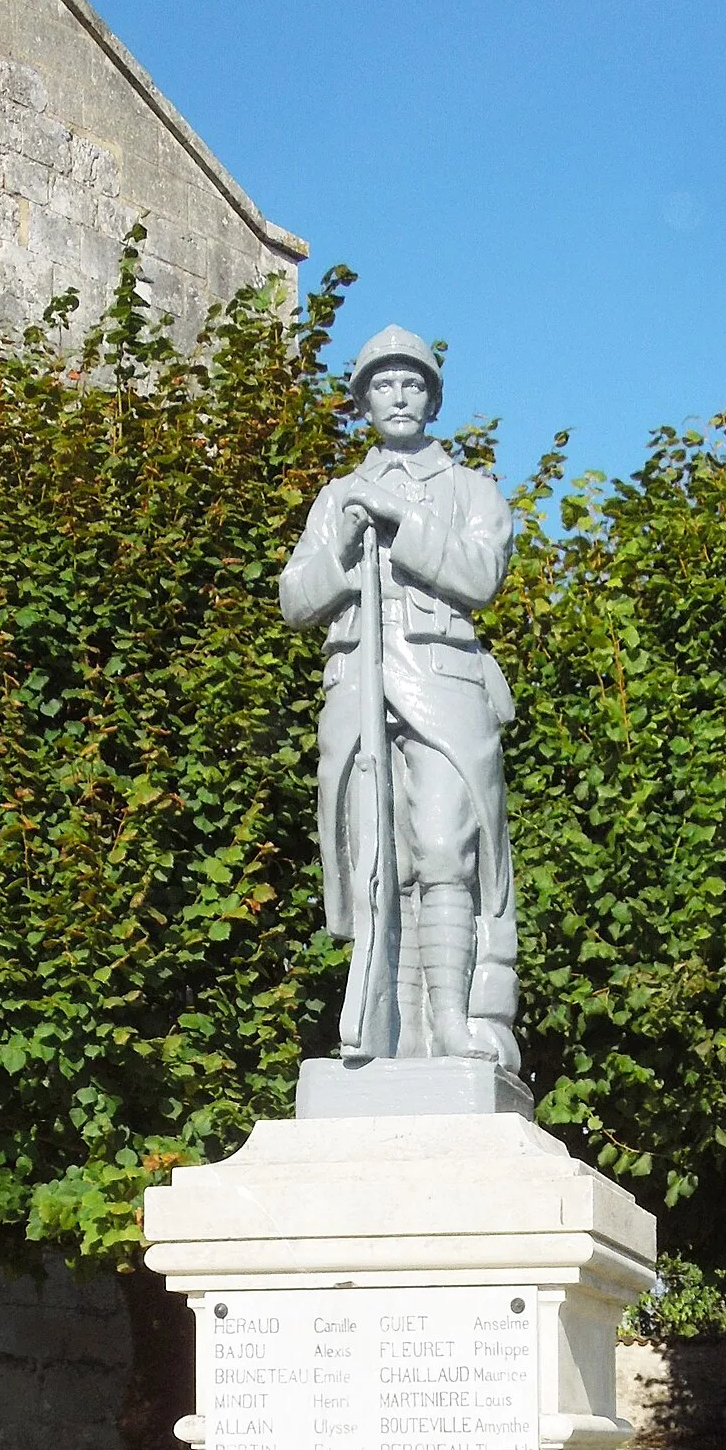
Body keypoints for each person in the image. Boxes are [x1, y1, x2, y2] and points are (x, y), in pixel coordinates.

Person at [279, 326, 520, 1070]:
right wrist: (348, 547)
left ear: (432, 397)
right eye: (383, 383)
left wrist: (400, 520)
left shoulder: (469, 489)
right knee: (375, 861)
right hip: (359, 688)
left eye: (413, 382)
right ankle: (383, 1032)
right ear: (362, 401)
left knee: (448, 846)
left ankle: (453, 1022)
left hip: (444, 683)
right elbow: (294, 598)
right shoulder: (335, 497)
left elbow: (481, 575)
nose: (399, 394)